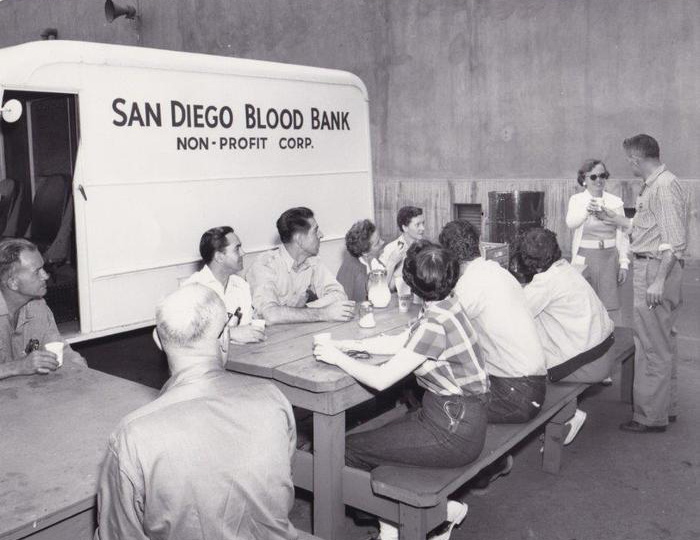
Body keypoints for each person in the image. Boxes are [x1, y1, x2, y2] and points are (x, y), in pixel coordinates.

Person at [315, 241, 489, 540]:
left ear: (411, 284)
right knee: (381, 442)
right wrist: (348, 345)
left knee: (347, 450)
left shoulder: (434, 324)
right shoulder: (447, 306)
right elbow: (401, 343)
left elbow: (382, 380)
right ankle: (429, 517)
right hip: (461, 419)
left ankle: (406, 524)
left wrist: (336, 358)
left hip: (452, 430)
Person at [94, 284, 297, 540]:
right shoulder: (273, 399)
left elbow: (119, 535)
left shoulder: (133, 436)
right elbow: (280, 492)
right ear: (224, 338)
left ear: (157, 340)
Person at [596, 134, 688, 433]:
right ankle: (665, 408)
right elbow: (651, 227)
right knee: (662, 341)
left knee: (651, 345)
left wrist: (657, 281)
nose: (629, 165)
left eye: (629, 160)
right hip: (657, 268)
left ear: (637, 159)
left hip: (655, 270)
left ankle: (649, 417)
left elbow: (674, 243)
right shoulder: (661, 184)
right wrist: (616, 219)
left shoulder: (661, 187)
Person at [439, 220, 547, 424]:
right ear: (480, 245)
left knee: (437, 403)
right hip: (531, 383)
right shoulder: (498, 271)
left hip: (516, 394)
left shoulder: (469, 285)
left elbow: (440, 329)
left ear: (449, 258)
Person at [520, 228, 616, 444]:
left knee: (523, 370)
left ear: (527, 260)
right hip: (605, 351)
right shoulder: (566, 269)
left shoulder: (544, 283)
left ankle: (567, 415)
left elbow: (515, 315)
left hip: (589, 365)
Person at [247, 207, 355, 324]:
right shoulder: (264, 265)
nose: (321, 235)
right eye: (315, 231)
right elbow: (270, 315)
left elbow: (339, 295)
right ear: (299, 239)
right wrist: (323, 313)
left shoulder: (313, 261)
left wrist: (305, 309)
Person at [0, 238, 86, 380]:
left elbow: (62, 351)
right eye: (37, 272)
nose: (46, 276)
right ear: (13, 283)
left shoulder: (38, 306)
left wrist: (84, 375)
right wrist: (17, 367)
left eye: (43, 268)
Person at [566, 159, 630, 323]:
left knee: (611, 307)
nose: (598, 180)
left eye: (602, 176)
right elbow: (571, 223)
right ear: (584, 180)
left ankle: (614, 342)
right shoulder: (577, 200)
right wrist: (586, 211)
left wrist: (623, 263)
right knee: (585, 304)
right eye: (593, 177)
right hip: (585, 257)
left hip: (609, 258)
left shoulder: (615, 202)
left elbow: (623, 234)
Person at [182, 226, 264, 344]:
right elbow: (187, 336)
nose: (243, 253)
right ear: (219, 257)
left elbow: (246, 328)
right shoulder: (192, 288)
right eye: (237, 249)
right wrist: (231, 333)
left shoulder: (241, 285)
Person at [336, 219, 384, 302]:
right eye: (377, 243)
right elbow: (343, 305)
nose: (383, 242)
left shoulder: (374, 261)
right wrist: (392, 263)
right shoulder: (350, 268)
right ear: (365, 252)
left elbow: (388, 288)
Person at [379, 205, 425, 290]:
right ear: (405, 227)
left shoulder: (425, 248)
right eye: (417, 225)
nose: (423, 228)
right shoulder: (391, 249)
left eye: (423, 223)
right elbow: (381, 287)